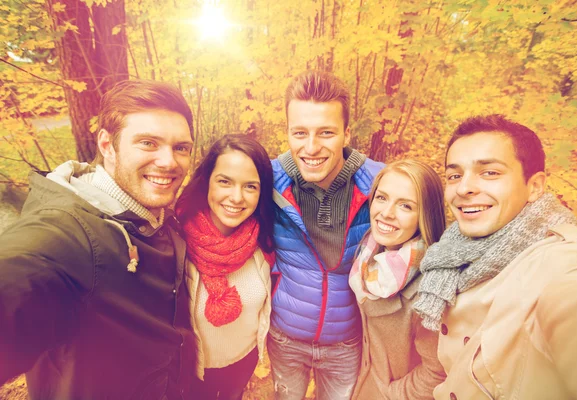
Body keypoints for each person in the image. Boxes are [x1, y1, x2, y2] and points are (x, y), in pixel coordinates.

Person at [0, 80, 198, 399]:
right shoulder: (67, 234)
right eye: (148, 143)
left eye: (181, 148)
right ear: (107, 145)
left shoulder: (157, 216)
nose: (169, 161)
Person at [413, 114, 577, 399]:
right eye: (455, 175)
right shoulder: (450, 255)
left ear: (534, 186)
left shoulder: (564, 262)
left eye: (489, 172)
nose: (464, 188)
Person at [268, 70, 385, 400]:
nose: (311, 147)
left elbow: (423, 237)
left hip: (346, 344)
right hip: (285, 339)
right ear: (288, 133)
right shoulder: (265, 179)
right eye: (300, 133)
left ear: (346, 134)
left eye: (326, 133)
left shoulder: (380, 185)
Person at [175, 134, 275, 400]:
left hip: (243, 362)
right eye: (224, 182)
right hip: (190, 373)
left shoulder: (265, 241)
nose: (236, 197)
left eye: (250, 186)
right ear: (207, 181)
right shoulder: (175, 240)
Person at [350, 160, 447, 400]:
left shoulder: (430, 288)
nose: (386, 213)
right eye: (381, 198)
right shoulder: (369, 249)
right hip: (361, 381)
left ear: (425, 215)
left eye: (405, 205)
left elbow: (437, 372)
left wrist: (390, 394)